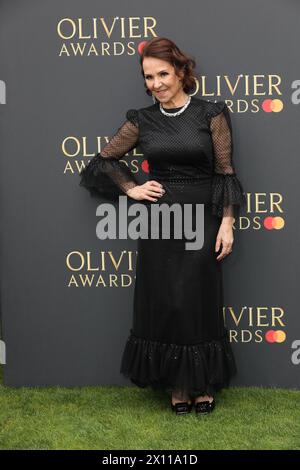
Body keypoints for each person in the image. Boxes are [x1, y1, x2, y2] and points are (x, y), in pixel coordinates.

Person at [79, 37, 246, 415]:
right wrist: (132, 188)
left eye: (163, 74)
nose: (155, 83)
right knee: (167, 301)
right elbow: (101, 162)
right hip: (160, 222)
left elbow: (225, 172)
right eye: (148, 77)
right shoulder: (143, 119)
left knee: (195, 300)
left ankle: (200, 384)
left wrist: (227, 222)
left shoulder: (211, 114)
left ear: (182, 72)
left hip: (202, 220)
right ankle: (177, 386)